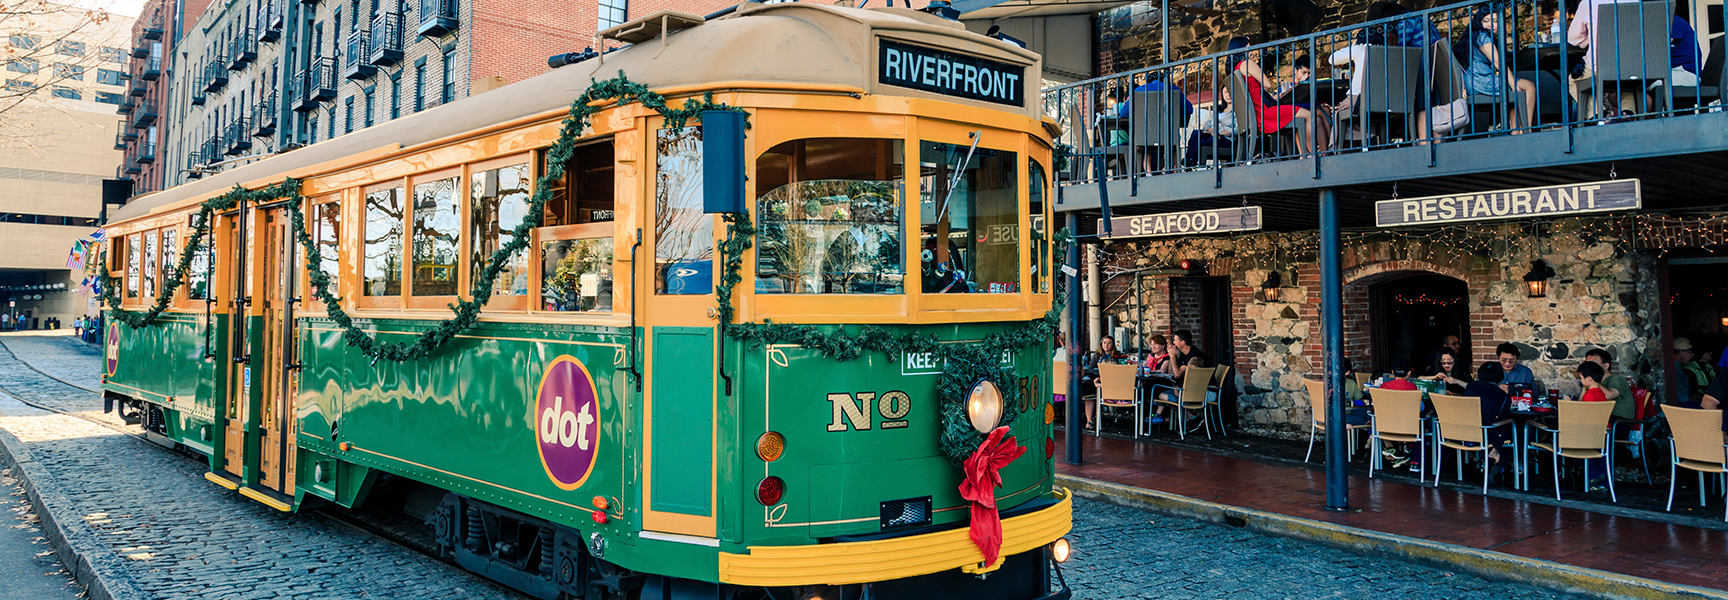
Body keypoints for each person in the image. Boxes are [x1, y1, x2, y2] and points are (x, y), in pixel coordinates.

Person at [1228, 36, 1331, 155]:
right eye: (1249, 47)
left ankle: (1310, 154)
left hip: (1256, 114)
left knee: (1313, 116)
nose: (1251, 51)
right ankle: (1314, 155)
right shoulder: (1246, 63)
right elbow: (1267, 84)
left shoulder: (1234, 70)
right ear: (1243, 48)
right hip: (1266, 112)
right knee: (1310, 115)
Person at [1461, 6, 1537, 132]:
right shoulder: (1482, 36)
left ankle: (1516, 131)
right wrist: (1515, 87)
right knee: (1529, 86)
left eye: (1495, 21)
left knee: (1514, 93)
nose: (1491, 25)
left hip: (1473, 81)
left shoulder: (1476, 35)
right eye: (1486, 21)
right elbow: (1498, 62)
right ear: (1479, 22)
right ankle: (1526, 129)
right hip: (1479, 82)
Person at [1567, 0, 1642, 120]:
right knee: (1624, 81)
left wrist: (1589, 39)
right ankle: (1628, 113)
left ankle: (1598, 114)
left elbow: (1573, 38)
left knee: (1574, 82)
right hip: (1631, 65)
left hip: (1600, 64)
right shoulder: (1635, 1)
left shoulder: (1588, 3)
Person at [1464, 361, 1513, 470]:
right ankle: (1499, 465)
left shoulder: (1470, 386)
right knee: (1512, 432)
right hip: (1485, 435)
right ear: (1500, 376)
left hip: (1464, 433)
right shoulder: (1503, 395)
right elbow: (1502, 419)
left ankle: (1489, 461)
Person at [1576, 361, 1613, 491]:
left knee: (1574, 447)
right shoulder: (1600, 393)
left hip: (1591, 433)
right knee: (1599, 458)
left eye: (1581, 378)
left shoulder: (1590, 395)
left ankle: (1595, 476)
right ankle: (1602, 482)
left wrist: (1568, 404)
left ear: (1589, 378)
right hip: (1603, 432)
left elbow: (1583, 413)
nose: (1580, 381)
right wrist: (1583, 391)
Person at [1583, 348, 1636, 421]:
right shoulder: (1594, 381)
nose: (1588, 367)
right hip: (1603, 416)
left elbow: (1608, 396)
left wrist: (1593, 381)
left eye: (1593, 363)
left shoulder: (1616, 380)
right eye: (1587, 363)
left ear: (1606, 366)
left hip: (1618, 420)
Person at [1675, 337, 1702, 405]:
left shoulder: (1679, 367)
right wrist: (1689, 399)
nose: (1692, 354)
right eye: (1689, 352)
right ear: (1681, 353)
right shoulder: (1672, 369)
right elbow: (1675, 394)